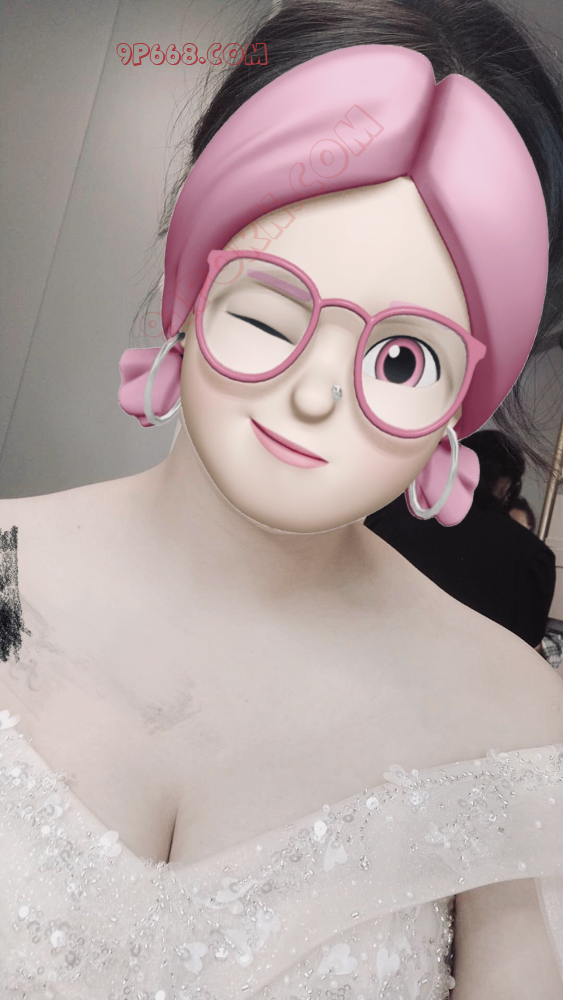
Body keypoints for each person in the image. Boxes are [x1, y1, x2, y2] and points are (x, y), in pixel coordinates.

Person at [1, 2, 562, 996]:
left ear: (460, 403)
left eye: (399, 359)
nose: (314, 395)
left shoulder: (512, 715)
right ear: (188, 286)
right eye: (270, 313)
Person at [365, 430, 557, 648]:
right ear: (506, 484)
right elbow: (526, 643)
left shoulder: (391, 512)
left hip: (373, 650)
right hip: (465, 666)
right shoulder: (532, 556)